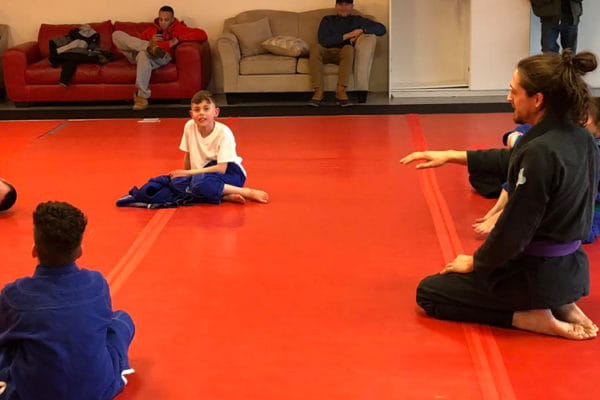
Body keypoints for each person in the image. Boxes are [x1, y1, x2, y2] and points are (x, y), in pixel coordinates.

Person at [400, 50, 599, 340]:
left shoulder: (541, 150)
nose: (508, 97)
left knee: (430, 293)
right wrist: (450, 155)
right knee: (485, 177)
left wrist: (477, 261)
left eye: (513, 91)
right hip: (571, 272)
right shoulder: (577, 137)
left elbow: (515, 229)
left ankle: (529, 318)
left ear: (538, 99)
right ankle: (561, 303)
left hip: (533, 276)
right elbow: (511, 160)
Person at [0, 201, 135, 399]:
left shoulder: (14, 296)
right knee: (122, 320)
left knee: (13, 341)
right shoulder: (97, 283)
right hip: (98, 389)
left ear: (34, 250)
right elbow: (102, 325)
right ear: (80, 251)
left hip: (33, 394)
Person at [168, 91, 269, 204]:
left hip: (230, 173)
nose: (201, 113)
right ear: (191, 114)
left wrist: (190, 173)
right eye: (197, 110)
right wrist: (185, 176)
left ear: (216, 112)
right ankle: (224, 196)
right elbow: (188, 155)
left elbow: (221, 168)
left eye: (206, 109)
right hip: (201, 174)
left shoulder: (224, 133)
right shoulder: (189, 126)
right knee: (175, 183)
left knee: (201, 184)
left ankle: (246, 192)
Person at [112, 5, 207, 110]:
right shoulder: (151, 30)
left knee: (144, 55)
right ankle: (149, 47)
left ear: (172, 20)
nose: (163, 22)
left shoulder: (179, 29)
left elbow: (202, 34)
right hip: (139, 53)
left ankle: (142, 97)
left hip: (161, 57)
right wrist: (150, 43)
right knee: (116, 34)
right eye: (160, 19)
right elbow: (136, 44)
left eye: (166, 20)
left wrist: (177, 39)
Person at [308, 0, 386, 107]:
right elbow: (323, 41)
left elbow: (382, 29)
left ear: (352, 6)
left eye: (347, 4)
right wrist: (348, 36)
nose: (344, 7)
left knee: (348, 48)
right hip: (326, 51)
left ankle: (341, 91)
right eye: (341, 4)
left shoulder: (357, 20)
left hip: (344, 53)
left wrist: (362, 30)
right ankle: (318, 92)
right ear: (336, 6)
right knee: (315, 47)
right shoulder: (327, 19)